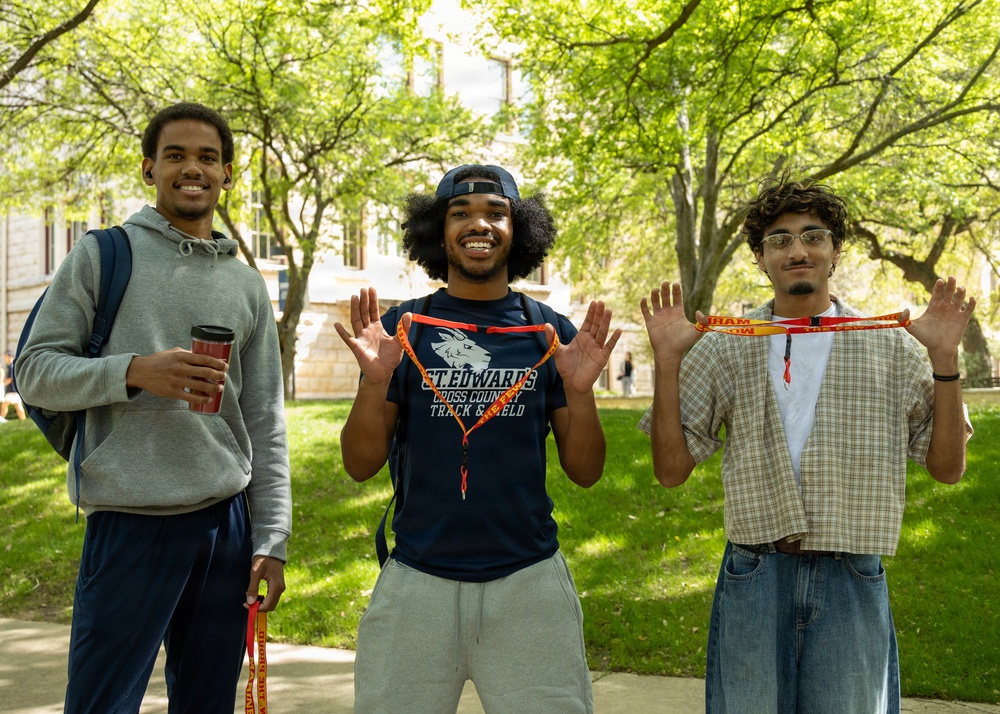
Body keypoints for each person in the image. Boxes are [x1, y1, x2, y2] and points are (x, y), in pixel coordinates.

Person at [638, 178, 975, 713]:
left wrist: (945, 362)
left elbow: (949, 468)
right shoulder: (728, 343)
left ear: (835, 249)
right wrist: (668, 362)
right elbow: (671, 471)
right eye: (780, 239)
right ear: (760, 256)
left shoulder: (889, 343)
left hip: (851, 571)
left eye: (813, 236)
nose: (798, 250)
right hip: (756, 571)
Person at [16, 102, 292, 713]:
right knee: (101, 704)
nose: (192, 168)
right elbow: (33, 372)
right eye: (176, 155)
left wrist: (271, 539)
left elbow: (267, 422)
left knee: (206, 704)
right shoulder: (102, 255)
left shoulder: (246, 284)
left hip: (226, 527)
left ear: (226, 174)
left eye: (207, 158)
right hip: (129, 523)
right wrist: (135, 372)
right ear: (149, 169)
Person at [335, 164, 621, 713]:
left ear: (520, 230)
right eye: (459, 213)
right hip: (418, 579)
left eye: (496, 212)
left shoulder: (549, 332)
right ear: (437, 233)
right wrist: (375, 383)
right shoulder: (405, 328)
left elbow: (586, 472)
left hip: (528, 582)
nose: (479, 224)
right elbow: (359, 464)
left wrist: (580, 392)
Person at [1, 350, 27, 421]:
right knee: (8, 405)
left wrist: (3, 384)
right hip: (13, 390)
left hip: (12, 390)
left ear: (10, 357)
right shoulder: (12, 365)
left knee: (15, 405)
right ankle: (23, 420)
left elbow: (10, 378)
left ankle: (1, 419)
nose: (5, 359)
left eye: (5, 357)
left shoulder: (11, 366)